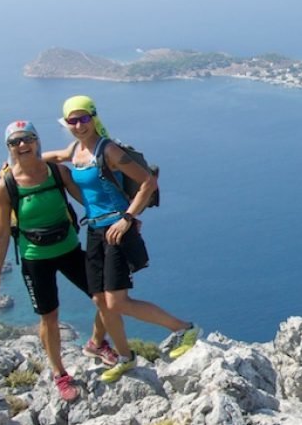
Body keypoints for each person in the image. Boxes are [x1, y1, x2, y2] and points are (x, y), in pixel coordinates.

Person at [43, 95, 200, 382]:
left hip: (118, 230)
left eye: (84, 118)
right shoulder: (75, 150)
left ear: (94, 118)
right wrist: (16, 162)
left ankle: (184, 328)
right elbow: (53, 157)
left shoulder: (109, 150)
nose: (79, 125)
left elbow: (148, 182)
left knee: (117, 302)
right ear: (66, 124)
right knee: (101, 302)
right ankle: (125, 356)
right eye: (72, 120)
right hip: (94, 232)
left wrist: (127, 218)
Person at [0, 120, 125, 402]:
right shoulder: (6, 186)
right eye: (15, 142)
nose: (22, 145)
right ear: (8, 148)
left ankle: (96, 343)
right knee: (50, 316)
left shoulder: (57, 172)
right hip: (35, 258)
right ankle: (60, 374)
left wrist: (125, 216)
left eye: (28, 139)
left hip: (68, 248)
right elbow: (0, 233)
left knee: (106, 297)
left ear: (37, 141)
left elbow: (89, 202)